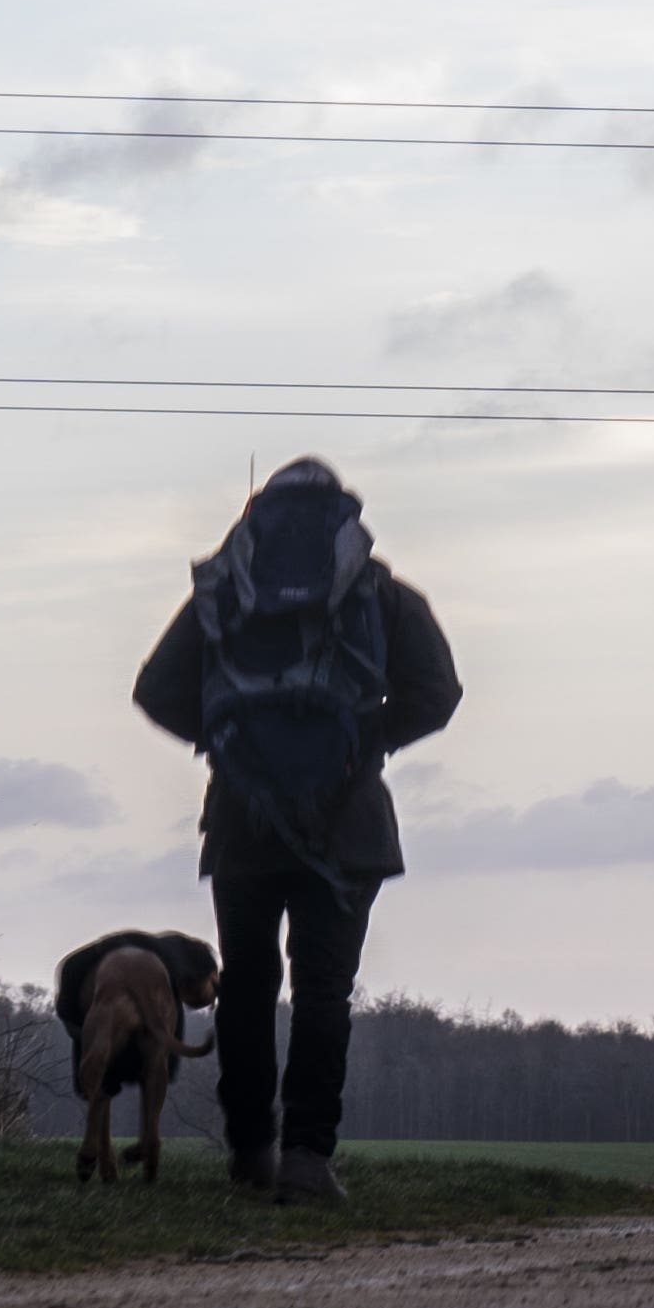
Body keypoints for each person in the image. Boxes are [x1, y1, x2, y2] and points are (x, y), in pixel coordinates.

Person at [132, 459, 461, 1203]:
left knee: (246, 989)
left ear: (256, 517)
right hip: (348, 827)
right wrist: (365, 744)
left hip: (241, 824)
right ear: (344, 521)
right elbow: (438, 695)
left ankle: (251, 1153)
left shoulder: (222, 593)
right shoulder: (382, 594)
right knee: (323, 994)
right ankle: (309, 1161)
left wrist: (225, 742)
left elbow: (154, 689)